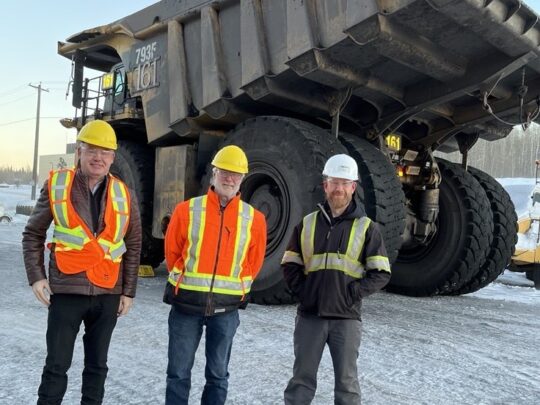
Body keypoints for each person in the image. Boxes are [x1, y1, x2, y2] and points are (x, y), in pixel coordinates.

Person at [22, 119, 142, 405]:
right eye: (92, 150)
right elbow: (33, 233)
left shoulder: (124, 194)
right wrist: (37, 276)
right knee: (56, 367)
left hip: (107, 293)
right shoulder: (57, 184)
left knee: (97, 368)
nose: (98, 157)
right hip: (67, 291)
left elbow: (134, 244)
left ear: (113, 157)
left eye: (105, 152)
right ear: (80, 151)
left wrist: (128, 291)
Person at [282, 153, 391, 405]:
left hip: (346, 319)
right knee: (301, 381)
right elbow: (289, 263)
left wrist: (351, 294)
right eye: (334, 182)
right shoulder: (307, 224)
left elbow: (381, 273)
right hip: (310, 316)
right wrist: (305, 291)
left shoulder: (367, 228)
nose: (339, 188)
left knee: (347, 385)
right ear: (325, 186)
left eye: (344, 183)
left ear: (353, 187)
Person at [163, 145, 267, 405]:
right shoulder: (186, 210)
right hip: (186, 305)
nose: (229, 178)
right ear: (213, 174)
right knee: (178, 374)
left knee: (218, 375)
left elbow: (253, 263)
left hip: (227, 309)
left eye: (236, 174)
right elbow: (173, 253)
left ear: (243, 179)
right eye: (224, 172)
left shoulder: (254, 219)